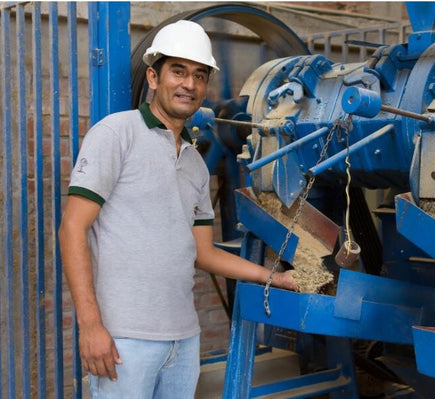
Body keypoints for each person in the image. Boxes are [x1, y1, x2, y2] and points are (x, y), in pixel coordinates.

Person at [59, 20, 296, 398]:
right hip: (125, 341)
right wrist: (90, 326)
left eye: (199, 75)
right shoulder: (116, 134)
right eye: (178, 71)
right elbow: (72, 228)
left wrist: (271, 277)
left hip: (183, 342)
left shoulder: (195, 164)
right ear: (153, 77)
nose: (189, 84)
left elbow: (203, 253)